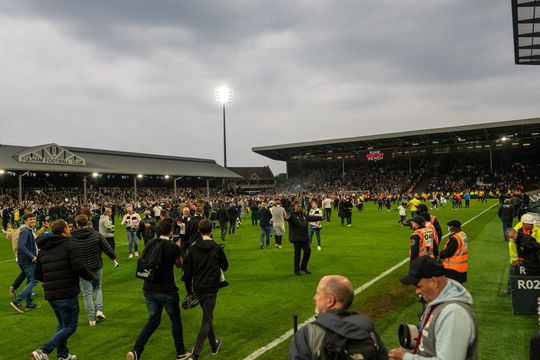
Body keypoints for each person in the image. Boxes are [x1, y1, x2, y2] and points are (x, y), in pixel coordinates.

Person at [388, 256, 478, 360]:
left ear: (434, 282)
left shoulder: (453, 313)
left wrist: (406, 357)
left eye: (418, 286)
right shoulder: (436, 302)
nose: (417, 291)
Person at [127, 218, 191, 360]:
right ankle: (180, 352)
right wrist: (178, 247)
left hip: (149, 287)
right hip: (166, 289)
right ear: (170, 231)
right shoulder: (172, 247)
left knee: (153, 320)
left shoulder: (150, 243)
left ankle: (136, 350)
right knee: (175, 320)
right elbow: (179, 264)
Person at [31, 219, 94, 360]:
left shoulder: (44, 248)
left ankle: (63, 356)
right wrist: (91, 278)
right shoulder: (71, 245)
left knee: (62, 325)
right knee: (70, 326)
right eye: (68, 227)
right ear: (65, 230)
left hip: (51, 293)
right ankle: (43, 350)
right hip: (66, 292)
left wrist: (51, 280)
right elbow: (79, 267)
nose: (70, 229)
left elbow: (37, 274)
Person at [288, 275, 388, 360]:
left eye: (318, 293)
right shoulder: (370, 332)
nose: (314, 298)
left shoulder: (309, 334)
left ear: (330, 300)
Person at [183, 219, 228, 360]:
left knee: (207, 317)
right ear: (211, 231)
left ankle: (214, 345)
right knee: (207, 319)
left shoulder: (192, 247)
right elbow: (225, 266)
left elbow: (187, 273)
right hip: (211, 287)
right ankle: (195, 354)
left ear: (198, 231)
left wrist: (189, 291)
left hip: (197, 286)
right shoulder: (216, 247)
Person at [71, 214, 118, 326]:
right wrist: (114, 257)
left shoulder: (72, 237)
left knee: (87, 293)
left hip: (82, 268)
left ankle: (91, 319)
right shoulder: (96, 234)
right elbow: (107, 247)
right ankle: (99, 310)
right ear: (87, 222)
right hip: (96, 265)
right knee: (97, 288)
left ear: (77, 224)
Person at [10, 213, 41, 313]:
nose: (32, 221)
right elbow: (21, 247)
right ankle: (16, 301)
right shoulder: (25, 231)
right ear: (25, 221)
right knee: (34, 280)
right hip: (27, 260)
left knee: (29, 280)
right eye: (30, 219)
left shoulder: (29, 230)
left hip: (27, 259)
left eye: (33, 219)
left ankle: (29, 303)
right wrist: (32, 256)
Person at [285, 202, 323, 275]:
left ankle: (303, 266)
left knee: (308, 251)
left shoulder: (303, 214)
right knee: (297, 255)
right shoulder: (292, 214)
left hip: (304, 238)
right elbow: (287, 217)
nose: (299, 207)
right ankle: (296, 270)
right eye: (298, 206)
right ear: (294, 207)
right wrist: (287, 215)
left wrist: (320, 218)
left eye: (300, 206)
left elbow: (311, 217)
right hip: (296, 238)